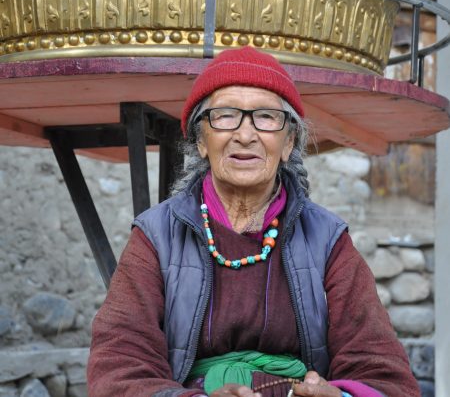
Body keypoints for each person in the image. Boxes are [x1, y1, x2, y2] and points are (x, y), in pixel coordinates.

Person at [87, 46, 420, 397]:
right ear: (201, 141)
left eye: (266, 117)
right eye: (225, 116)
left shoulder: (327, 240)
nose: (245, 135)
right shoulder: (157, 236)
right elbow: (119, 365)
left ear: (288, 142)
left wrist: (340, 396)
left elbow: (383, 372)